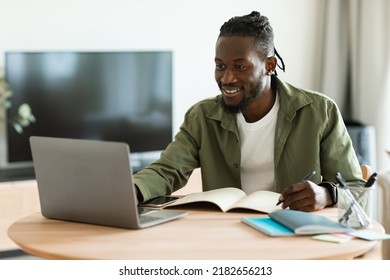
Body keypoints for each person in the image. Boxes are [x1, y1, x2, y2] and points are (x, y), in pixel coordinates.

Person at [134, 11, 365, 212]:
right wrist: (130, 190)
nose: (227, 78)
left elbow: (356, 189)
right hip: (227, 235)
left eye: (240, 66)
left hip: (292, 233)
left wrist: (327, 195)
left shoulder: (320, 112)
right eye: (220, 66)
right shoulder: (201, 117)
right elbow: (167, 171)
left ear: (269, 65)